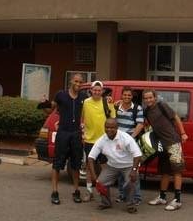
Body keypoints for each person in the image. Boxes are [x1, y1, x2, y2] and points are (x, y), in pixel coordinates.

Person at [142, 89, 188, 211]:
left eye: (150, 97)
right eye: (146, 98)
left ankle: (177, 200)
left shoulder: (162, 105)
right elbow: (148, 125)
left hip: (173, 142)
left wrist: (183, 133)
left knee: (177, 170)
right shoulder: (146, 111)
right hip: (161, 144)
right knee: (165, 171)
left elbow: (176, 117)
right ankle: (162, 197)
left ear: (155, 97)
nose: (148, 100)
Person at [87, 118, 142, 213]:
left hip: (128, 165)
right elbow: (91, 157)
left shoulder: (125, 138)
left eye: (112, 127)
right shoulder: (102, 139)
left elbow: (137, 155)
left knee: (130, 181)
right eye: (107, 127)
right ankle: (106, 203)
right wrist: (93, 175)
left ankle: (130, 205)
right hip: (112, 166)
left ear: (117, 127)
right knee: (100, 182)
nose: (109, 129)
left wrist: (134, 170)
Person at [50, 73, 87, 205]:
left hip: (76, 133)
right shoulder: (61, 94)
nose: (78, 84)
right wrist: (44, 105)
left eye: (80, 82)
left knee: (76, 164)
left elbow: (94, 104)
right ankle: (54, 192)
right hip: (63, 133)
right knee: (58, 163)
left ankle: (76, 191)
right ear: (71, 81)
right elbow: (52, 108)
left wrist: (110, 100)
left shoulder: (83, 97)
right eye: (76, 81)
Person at [81, 80, 116, 202]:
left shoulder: (107, 102)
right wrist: (82, 131)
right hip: (89, 140)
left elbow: (113, 119)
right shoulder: (85, 102)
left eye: (99, 90)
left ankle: (105, 192)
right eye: (94, 90)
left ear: (102, 91)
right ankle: (89, 192)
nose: (96, 92)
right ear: (91, 91)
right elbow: (81, 118)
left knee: (105, 167)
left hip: (104, 140)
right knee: (89, 167)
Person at [115, 86, 144, 205]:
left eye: (129, 95)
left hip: (131, 143)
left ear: (132, 97)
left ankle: (136, 198)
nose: (127, 97)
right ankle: (122, 195)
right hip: (117, 143)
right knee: (120, 171)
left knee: (133, 171)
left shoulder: (137, 108)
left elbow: (140, 124)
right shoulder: (116, 106)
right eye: (125, 95)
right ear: (121, 95)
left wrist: (130, 138)